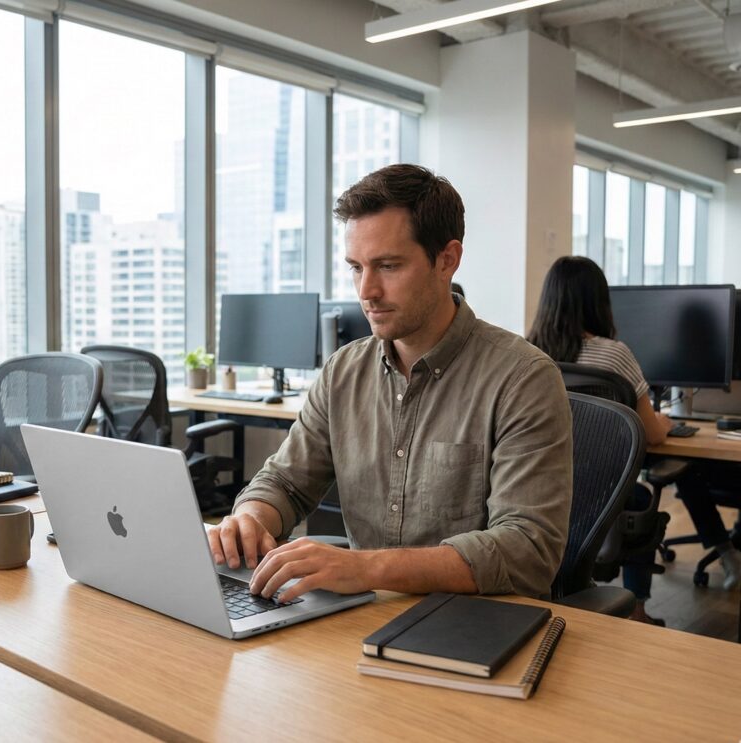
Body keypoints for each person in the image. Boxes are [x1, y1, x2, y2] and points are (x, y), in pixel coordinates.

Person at [207, 164, 573, 603]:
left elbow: (526, 550)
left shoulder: (522, 378)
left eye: (387, 266)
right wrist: (251, 518)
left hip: (474, 624)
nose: (367, 291)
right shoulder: (344, 371)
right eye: (356, 268)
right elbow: (285, 482)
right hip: (362, 615)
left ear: (447, 260)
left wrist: (366, 567)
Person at [527, 256, 740, 622]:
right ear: (597, 301)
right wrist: (664, 422)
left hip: (537, 487)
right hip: (603, 487)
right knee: (641, 497)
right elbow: (651, 433)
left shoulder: (525, 353)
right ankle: (637, 607)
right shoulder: (614, 354)